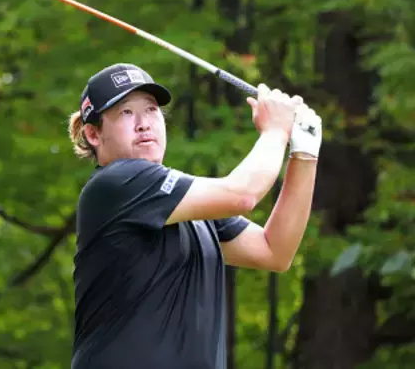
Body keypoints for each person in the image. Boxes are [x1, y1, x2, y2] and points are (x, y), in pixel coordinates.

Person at [67, 63, 322, 369]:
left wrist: (304, 154)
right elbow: (242, 195)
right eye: (126, 113)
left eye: (151, 110)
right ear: (93, 134)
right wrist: (276, 131)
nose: (144, 124)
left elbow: (274, 251)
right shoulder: (115, 183)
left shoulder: (184, 204)